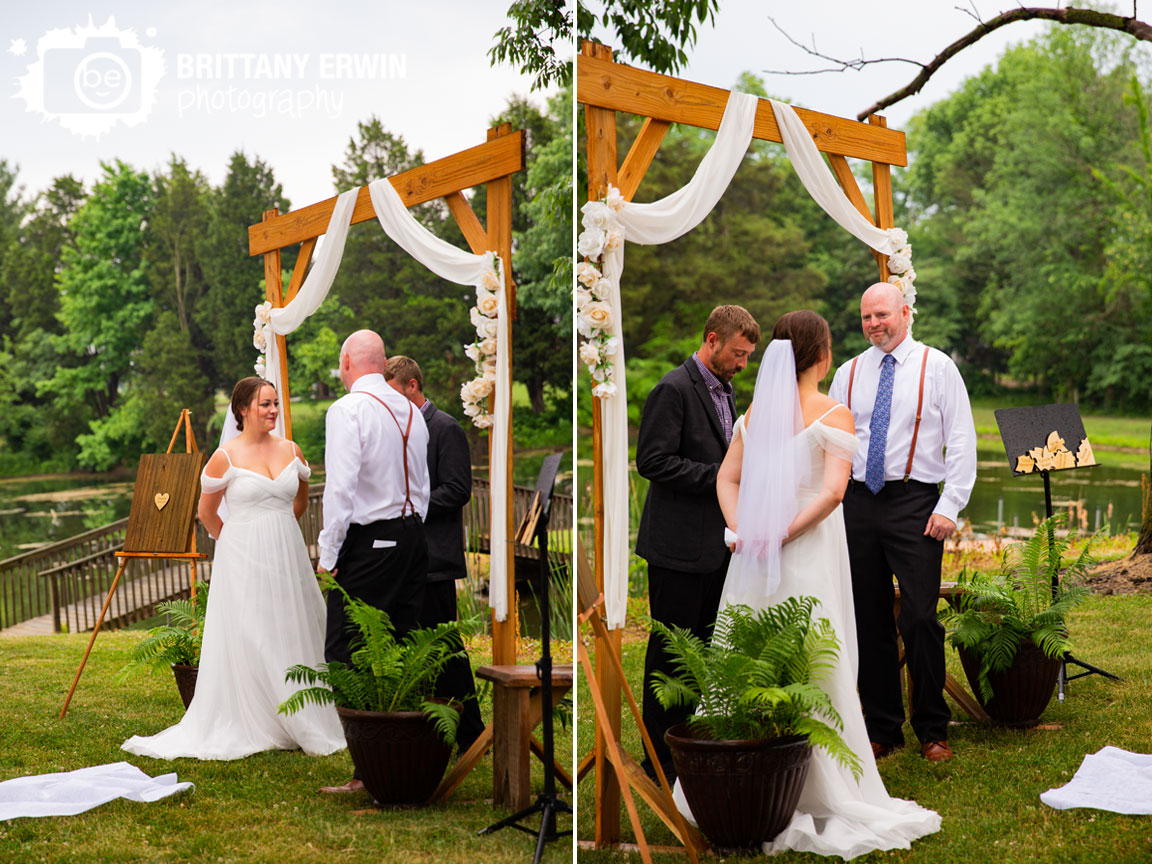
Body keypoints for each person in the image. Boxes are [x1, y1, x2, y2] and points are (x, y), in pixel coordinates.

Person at [690, 310, 941, 857]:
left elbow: (724, 478)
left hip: (754, 556)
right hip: (805, 549)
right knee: (817, 652)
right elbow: (831, 494)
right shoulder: (834, 412)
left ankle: (745, 772)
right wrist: (779, 534)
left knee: (750, 646)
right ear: (823, 355)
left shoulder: (755, 413)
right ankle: (822, 780)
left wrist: (744, 529)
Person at [122, 377, 344, 760]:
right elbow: (206, 514)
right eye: (264, 404)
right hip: (241, 555)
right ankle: (262, 716)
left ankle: (302, 709)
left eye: (275, 403)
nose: (273, 410)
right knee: (253, 631)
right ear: (242, 409)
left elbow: (300, 503)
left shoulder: (292, 450)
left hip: (286, 553)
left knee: (289, 624)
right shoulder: (225, 456)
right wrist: (239, 542)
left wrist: (277, 532)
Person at [828, 283, 977, 764]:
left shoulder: (938, 367)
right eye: (867, 316)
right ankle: (882, 728)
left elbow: (962, 439)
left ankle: (933, 728)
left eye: (883, 315)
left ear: (906, 313)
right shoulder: (848, 373)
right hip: (857, 503)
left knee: (919, 617)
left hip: (915, 502)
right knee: (869, 619)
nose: (874, 324)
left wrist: (949, 506)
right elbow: (832, 440)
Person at [634, 304, 760, 784]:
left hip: (716, 547)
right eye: (737, 353)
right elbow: (653, 461)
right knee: (670, 653)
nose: (742, 364)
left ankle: (691, 744)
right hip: (677, 549)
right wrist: (723, 478)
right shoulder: (672, 388)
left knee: (705, 648)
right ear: (712, 339)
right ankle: (659, 760)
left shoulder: (726, 391)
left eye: (747, 356)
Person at [316, 330, 431, 794]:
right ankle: (403, 754)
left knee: (345, 648)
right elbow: (421, 484)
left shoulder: (347, 410)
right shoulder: (411, 409)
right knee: (400, 643)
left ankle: (368, 768)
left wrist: (328, 554)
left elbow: (340, 491)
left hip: (370, 543)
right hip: (412, 539)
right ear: (383, 364)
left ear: (347, 362)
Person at [384, 355, 484, 754]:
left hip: (436, 559)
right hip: (404, 559)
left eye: (394, 393)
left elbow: (458, 490)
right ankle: (427, 728)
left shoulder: (445, 428)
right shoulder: (395, 429)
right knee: (414, 646)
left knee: (447, 649)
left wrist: (409, 506)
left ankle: (471, 733)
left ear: (412, 386)